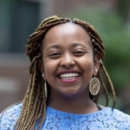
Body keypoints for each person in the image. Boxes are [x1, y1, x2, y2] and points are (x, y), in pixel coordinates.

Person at [0, 15, 130, 130]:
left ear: (96, 63)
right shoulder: (13, 121)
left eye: (78, 52)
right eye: (55, 54)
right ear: (42, 67)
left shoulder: (122, 125)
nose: (67, 62)